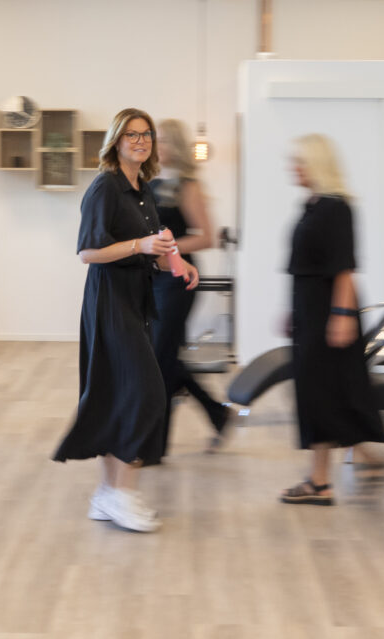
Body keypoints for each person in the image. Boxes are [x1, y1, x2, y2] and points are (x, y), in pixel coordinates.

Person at [53, 108, 199, 532]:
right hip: (110, 303)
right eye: (131, 135)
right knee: (146, 392)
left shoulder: (142, 189)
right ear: (116, 141)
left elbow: (155, 246)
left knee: (115, 394)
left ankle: (107, 493)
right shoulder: (105, 188)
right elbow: (88, 252)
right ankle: (123, 493)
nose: (141, 141)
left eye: (146, 134)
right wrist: (140, 245)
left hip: (137, 300)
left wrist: (178, 262)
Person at [281, 133, 384, 506]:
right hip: (310, 308)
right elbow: (306, 266)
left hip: (329, 310)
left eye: (300, 161)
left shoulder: (337, 208)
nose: (293, 167)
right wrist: (292, 310)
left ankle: (320, 482)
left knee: (319, 393)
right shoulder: (311, 205)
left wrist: (341, 316)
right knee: (324, 390)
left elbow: (344, 269)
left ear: (317, 164)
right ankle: (360, 454)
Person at [144, 119, 232, 464]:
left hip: (179, 279)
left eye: (164, 140)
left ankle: (156, 445)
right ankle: (217, 413)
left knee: (161, 360)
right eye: (156, 139)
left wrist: (168, 249)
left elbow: (206, 236)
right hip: (154, 278)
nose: (157, 145)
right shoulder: (151, 182)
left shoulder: (187, 184)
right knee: (164, 358)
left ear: (177, 146)